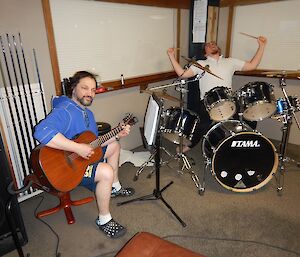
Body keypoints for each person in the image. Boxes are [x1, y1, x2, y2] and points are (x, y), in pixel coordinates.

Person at [33, 70, 135, 238]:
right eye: (85, 88)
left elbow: (94, 144)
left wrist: (117, 134)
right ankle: (104, 219)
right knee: (105, 171)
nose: (90, 93)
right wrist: (76, 148)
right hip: (66, 168)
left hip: (81, 157)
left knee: (115, 145)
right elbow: (41, 131)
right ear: (73, 88)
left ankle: (115, 187)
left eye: (93, 90)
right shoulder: (65, 109)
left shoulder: (87, 113)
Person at [167, 37, 267, 153]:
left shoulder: (230, 61)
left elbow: (252, 65)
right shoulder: (201, 64)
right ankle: (190, 145)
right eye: (208, 45)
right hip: (207, 101)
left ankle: (244, 143)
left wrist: (262, 46)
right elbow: (182, 74)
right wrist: (171, 56)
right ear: (205, 52)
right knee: (202, 124)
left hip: (229, 99)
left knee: (249, 117)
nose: (212, 44)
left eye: (213, 43)